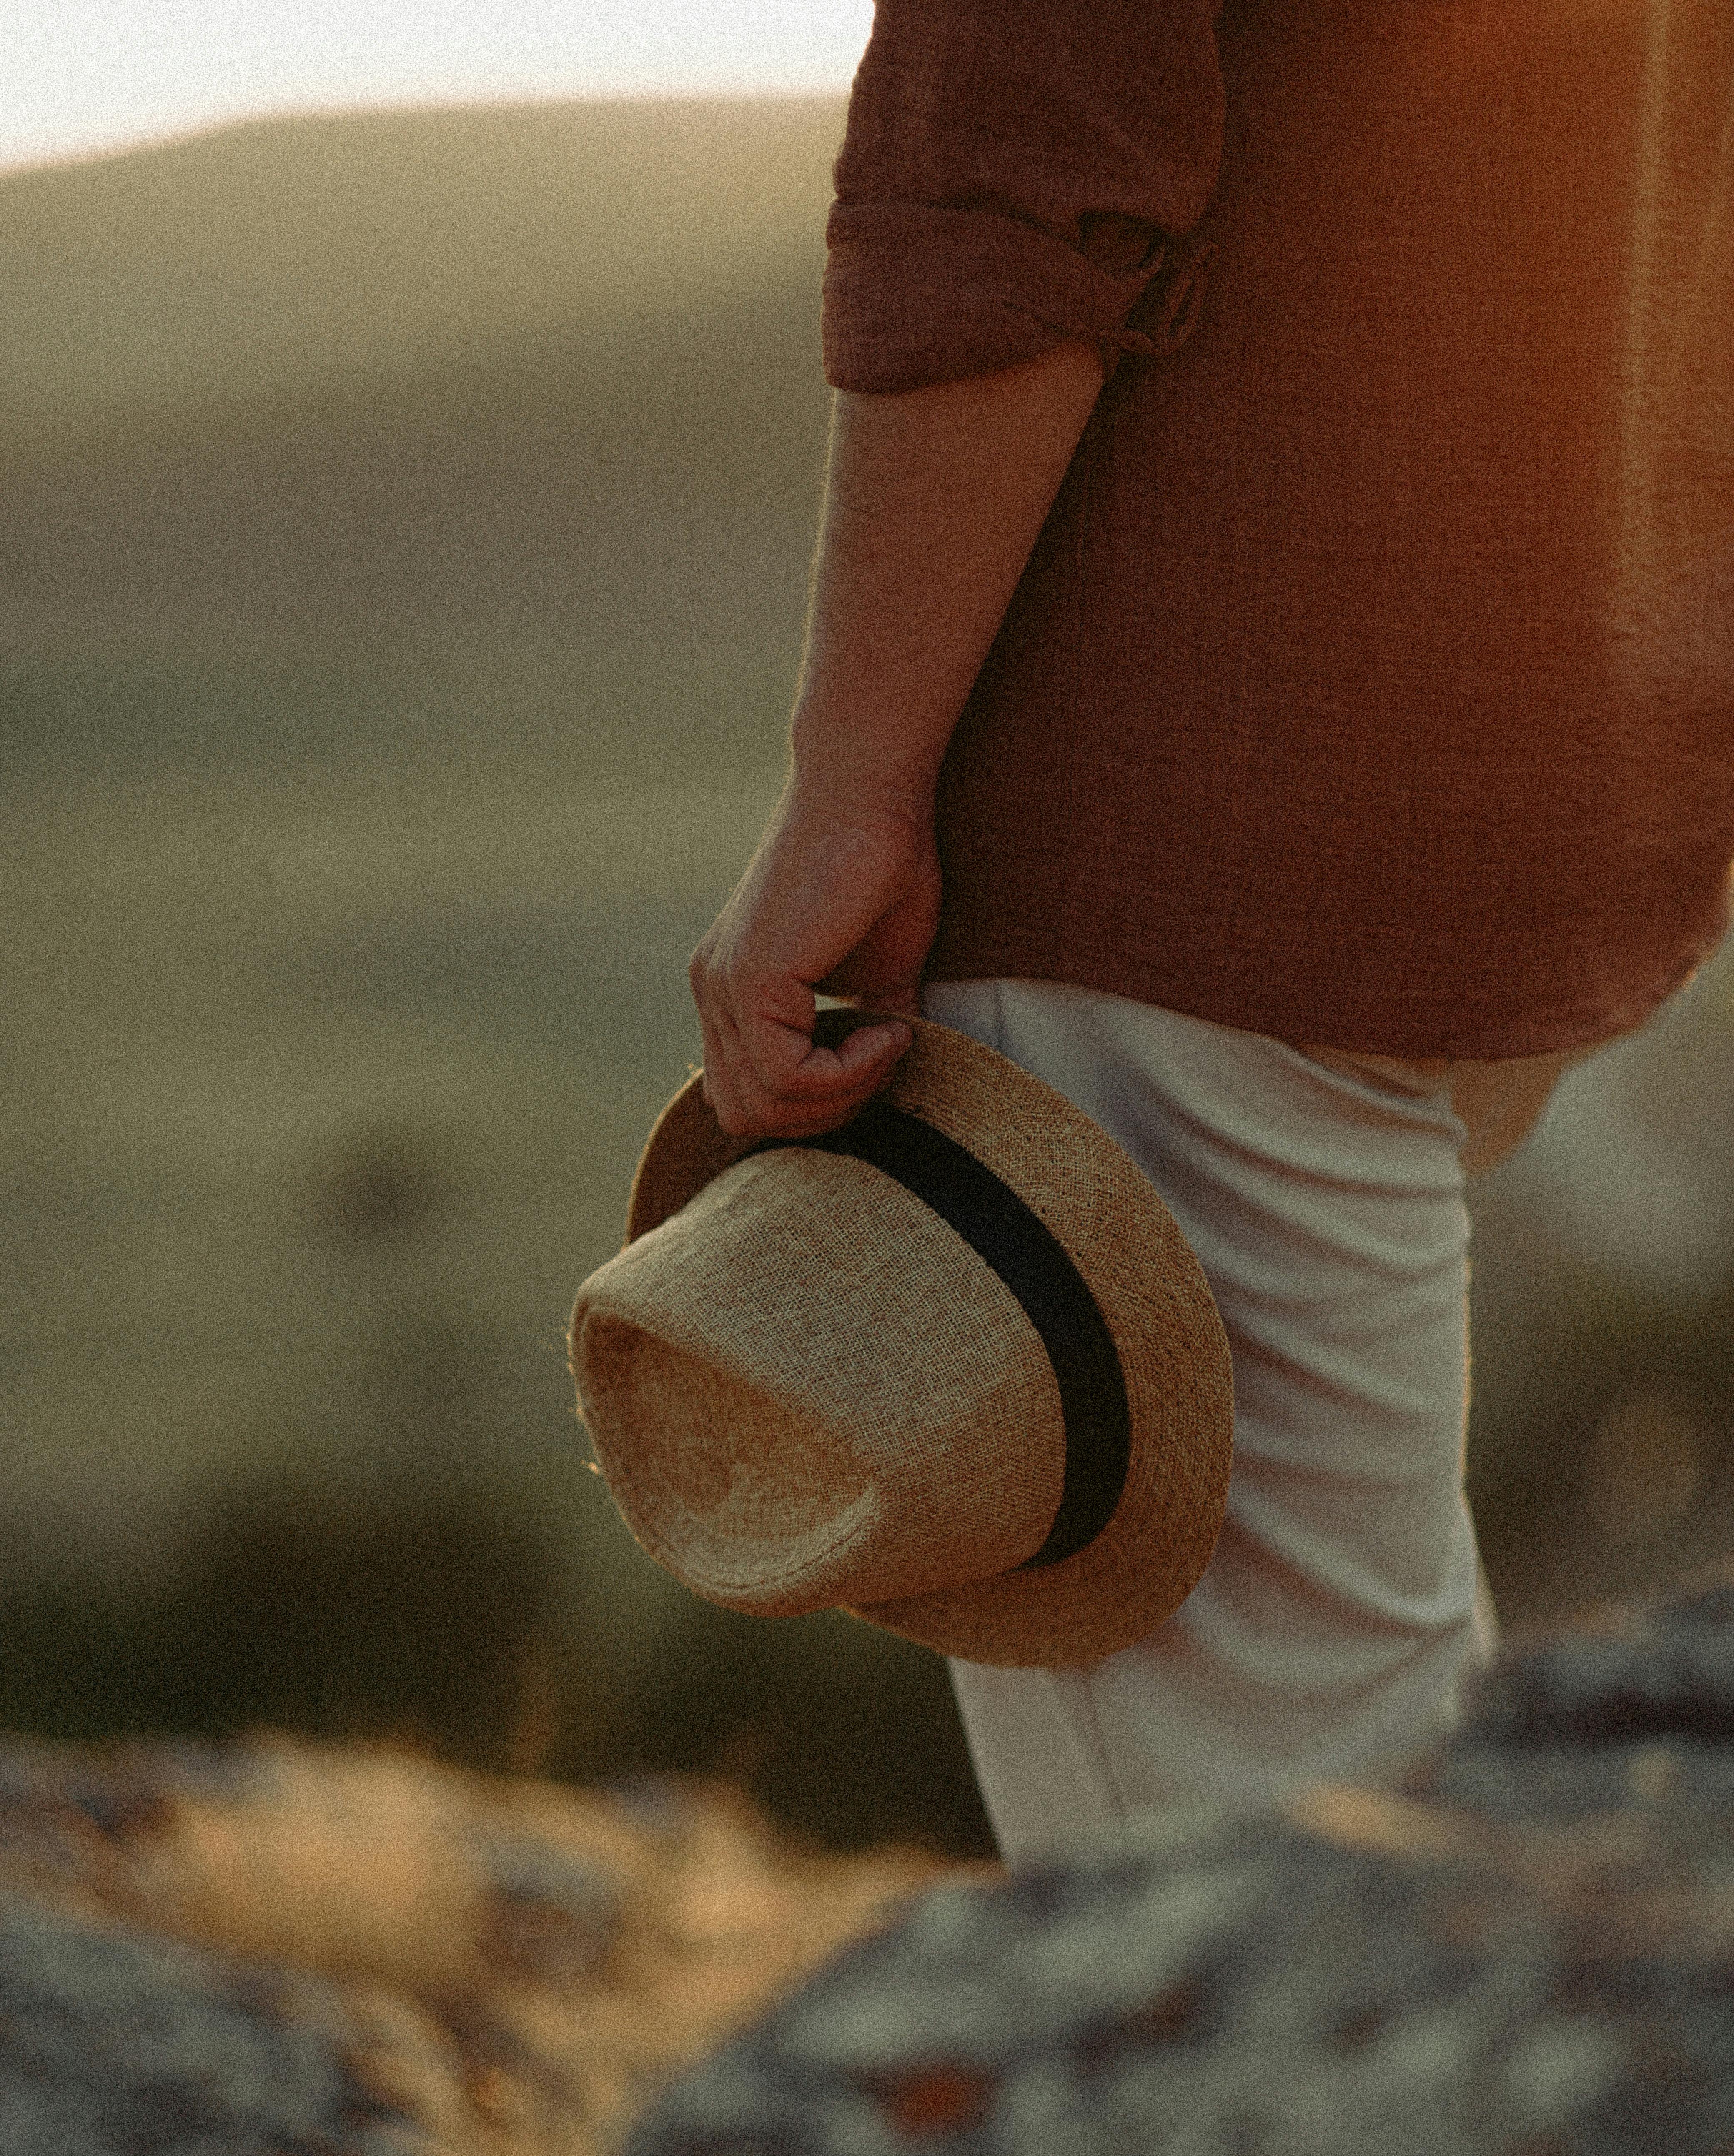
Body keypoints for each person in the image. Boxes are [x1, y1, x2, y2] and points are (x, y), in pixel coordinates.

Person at [688, 0, 1734, 1868]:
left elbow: (1015, 168)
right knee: (1379, 1771)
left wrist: (854, 780)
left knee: (1260, 1877)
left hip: (1183, 830)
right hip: (1548, 760)